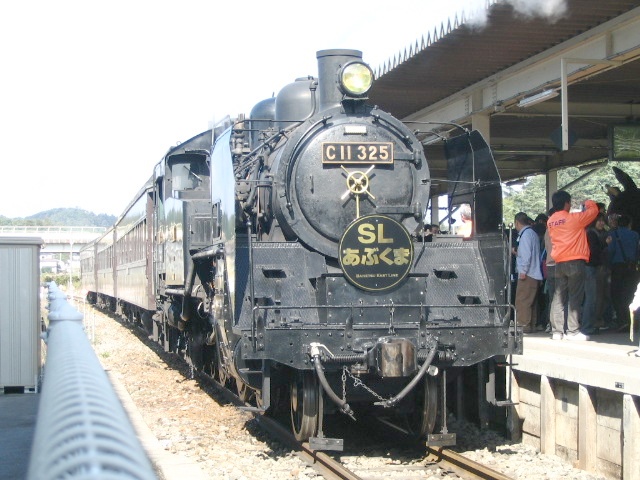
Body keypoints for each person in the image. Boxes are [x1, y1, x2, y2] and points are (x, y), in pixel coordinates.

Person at [546, 191, 599, 341]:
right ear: (566, 203)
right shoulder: (574, 219)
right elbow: (594, 211)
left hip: (559, 262)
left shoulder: (551, 221)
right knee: (575, 297)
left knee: (558, 297)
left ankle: (557, 332)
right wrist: (587, 202)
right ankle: (573, 331)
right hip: (575, 261)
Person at [606, 213, 640, 331]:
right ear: (629, 224)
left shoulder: (613, 234)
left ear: (618, 224)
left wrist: (608, 266)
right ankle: (632, 321)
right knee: (630, 294)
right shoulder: (635, 235)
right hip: (632, 268)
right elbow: (638, 251)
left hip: (617, 268)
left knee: (617, 294)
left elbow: (610, 251)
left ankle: (622, 321)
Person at [514, 212, 543, 333]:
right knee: (532, 302)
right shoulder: (533, 233)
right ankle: (532, 324)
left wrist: (523, 271)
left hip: (527, 274)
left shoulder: (525, 235)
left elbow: (526, 255)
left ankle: (523, 325)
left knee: (522, 301)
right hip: (535, 273)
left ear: (517, 223)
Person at [582, 214, 607, 335]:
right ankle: (587, 326)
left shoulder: (592, 232)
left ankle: (589, 324)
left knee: (592, 297)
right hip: (589, 268)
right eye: (599, 221)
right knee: (591, 298)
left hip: (591, 268)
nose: (602, 223)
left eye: (603, 221)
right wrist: (605, 243)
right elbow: (594, 250)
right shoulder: (591, 233)